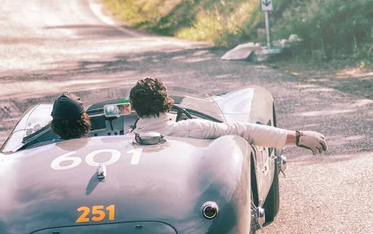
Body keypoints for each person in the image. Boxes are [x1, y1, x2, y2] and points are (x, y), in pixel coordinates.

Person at [129, 77, 327, 154]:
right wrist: (298, 137)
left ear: (136, 110)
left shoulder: (125, 143)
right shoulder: (192, 128)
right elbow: (245, 130)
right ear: (167, 103)